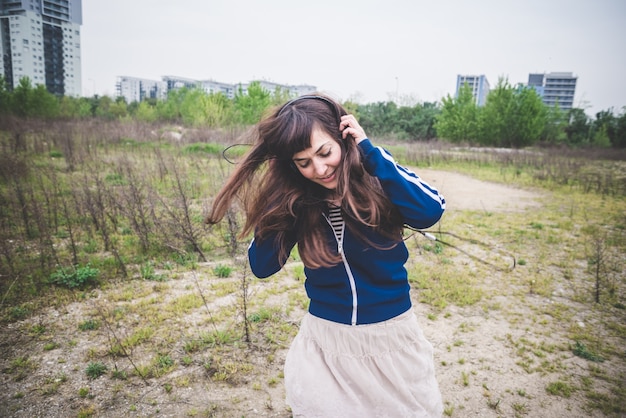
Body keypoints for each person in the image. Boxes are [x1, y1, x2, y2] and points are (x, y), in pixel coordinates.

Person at [206, 94, 445, 417]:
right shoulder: (296, 201)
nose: (318, 169)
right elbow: (262, 267)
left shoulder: (378, 174)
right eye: (303, 163)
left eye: (325, 152)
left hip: (390, 338)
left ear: (344, 138)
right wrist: (278, 206)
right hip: (326, 344)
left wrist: (372, 154)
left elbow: (430, 210)